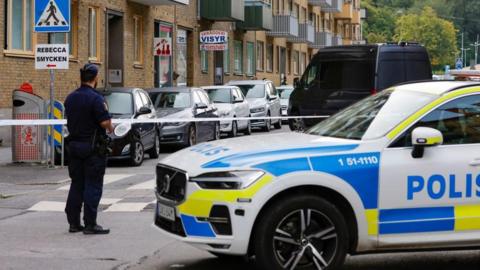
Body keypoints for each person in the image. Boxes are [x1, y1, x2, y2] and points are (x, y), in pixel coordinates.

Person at [64, 63, 114, 235]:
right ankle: (91, 224)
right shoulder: (96, 99)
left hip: (74, 147)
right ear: (95, 78)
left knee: (76, 184)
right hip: (92, 149)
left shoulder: (70, 98)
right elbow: (105, 123)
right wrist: (111, 126)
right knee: (93, 185)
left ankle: (73, 223)